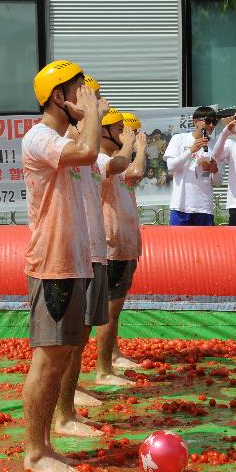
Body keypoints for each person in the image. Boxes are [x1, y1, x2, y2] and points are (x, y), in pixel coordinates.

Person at [21, 60, 107, 472]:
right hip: (52, 264)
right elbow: (89, 151)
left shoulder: (65, 138)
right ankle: (35, 451)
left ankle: (47, 444)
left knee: (61, 356)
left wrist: (90, 116)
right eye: (80, 90)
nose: (88, 97)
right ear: (59, 97)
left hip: (73, 262)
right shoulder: (39, 137)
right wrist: (92, 115)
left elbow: (96, 155)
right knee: (48, 358)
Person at [94, 108, 148, 385]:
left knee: (115, 310)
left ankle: (112, 355)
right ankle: (103, 369)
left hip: (124, 243)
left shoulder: (116, 161)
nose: (125, 135)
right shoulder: (103, 161)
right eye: (119, 130)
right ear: (104, 132)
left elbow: (133, 173)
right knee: (109, 311)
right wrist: (138, 147)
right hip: (111, 245)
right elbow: (136, 170)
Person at [163, 106, 222, 226]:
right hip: (181, 206)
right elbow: (171, 166)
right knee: (178, 244)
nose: (211, 125)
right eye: (208, 121)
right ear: (195, 121)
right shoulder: (179, 139)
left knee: (205, 245)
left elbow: (218, 182)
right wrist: (191, 150)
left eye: (214, 122)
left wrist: (215, 170)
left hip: (204, 208)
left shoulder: (216, 146)